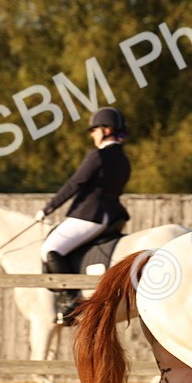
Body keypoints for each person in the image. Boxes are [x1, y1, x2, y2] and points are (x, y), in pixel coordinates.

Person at [37, 106, 132, 325]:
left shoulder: (98, 156)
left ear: (107, 130)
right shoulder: (123, 159)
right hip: (113, 216)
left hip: (90, 215)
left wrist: (48, 208)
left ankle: (70, 302)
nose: (92, 135)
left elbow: (75, 184)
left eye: (95, 130)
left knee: (50, 249)